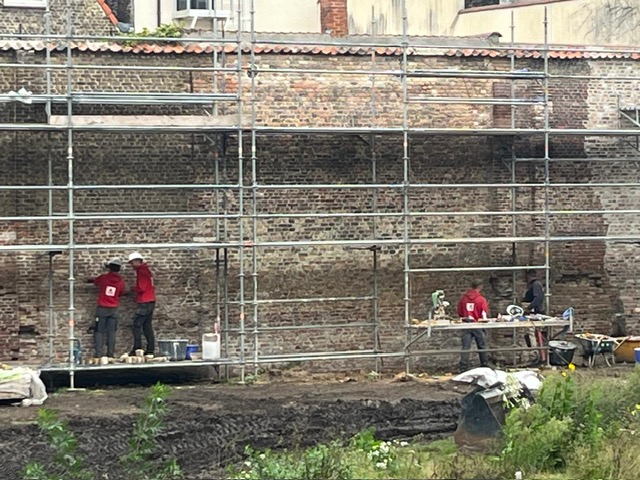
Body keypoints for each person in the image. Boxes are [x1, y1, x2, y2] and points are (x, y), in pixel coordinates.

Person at [87, 258, 125, 359]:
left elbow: (95, 281)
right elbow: (121, 293)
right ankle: (110, 355)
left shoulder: (104, 278)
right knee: (111, 332)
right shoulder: (121, 281)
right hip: (114, 309)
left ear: (109, 268)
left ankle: (99, 354)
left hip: (102, 308)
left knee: (99, 331)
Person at [457, 280, 490, 371]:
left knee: (466, 346)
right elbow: (484, 314)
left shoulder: (464, 298)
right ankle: (484, 363)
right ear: (480, 287)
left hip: (466, 324)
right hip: (477, 324)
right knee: (482, 344)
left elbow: (459, 311)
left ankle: (463, 366)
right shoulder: (481, 299)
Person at [128, 251, 156, 356]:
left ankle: (137, 348)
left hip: (145, 302)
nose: (131, 265)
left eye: (132, 263)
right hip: (150, 300)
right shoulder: (147, 271)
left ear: (137, 261)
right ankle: (150, 349)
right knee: (147, 325)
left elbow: (142, 288)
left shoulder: (142, 272)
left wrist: (133, 289)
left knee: (136, 325)